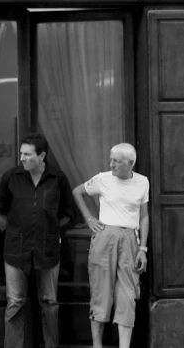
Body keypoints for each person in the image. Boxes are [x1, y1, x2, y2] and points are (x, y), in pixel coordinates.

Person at [0, 133, 76, 348]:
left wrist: (53, 229)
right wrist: (13, 229)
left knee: (49, 303)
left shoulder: (58, 178)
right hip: (16, 250)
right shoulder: (11, 177)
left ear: (42, 155)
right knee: (15, 303)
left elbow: (68, 213)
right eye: (21, 154)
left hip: (48, 249)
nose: (22, 158)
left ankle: (51, 345)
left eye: (27, 154)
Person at [72, 143, 149, 348]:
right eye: (111, 159)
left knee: (128, 294)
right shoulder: (102, 179)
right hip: (105, 237)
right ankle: (97, 346)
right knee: (101, 292)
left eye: (116, 160)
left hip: (130, 239)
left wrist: (143, 249)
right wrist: (89, 219)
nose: (111, 164)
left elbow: (144, 216)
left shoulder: (142, 182)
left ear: (130, 163)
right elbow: (77, 192)